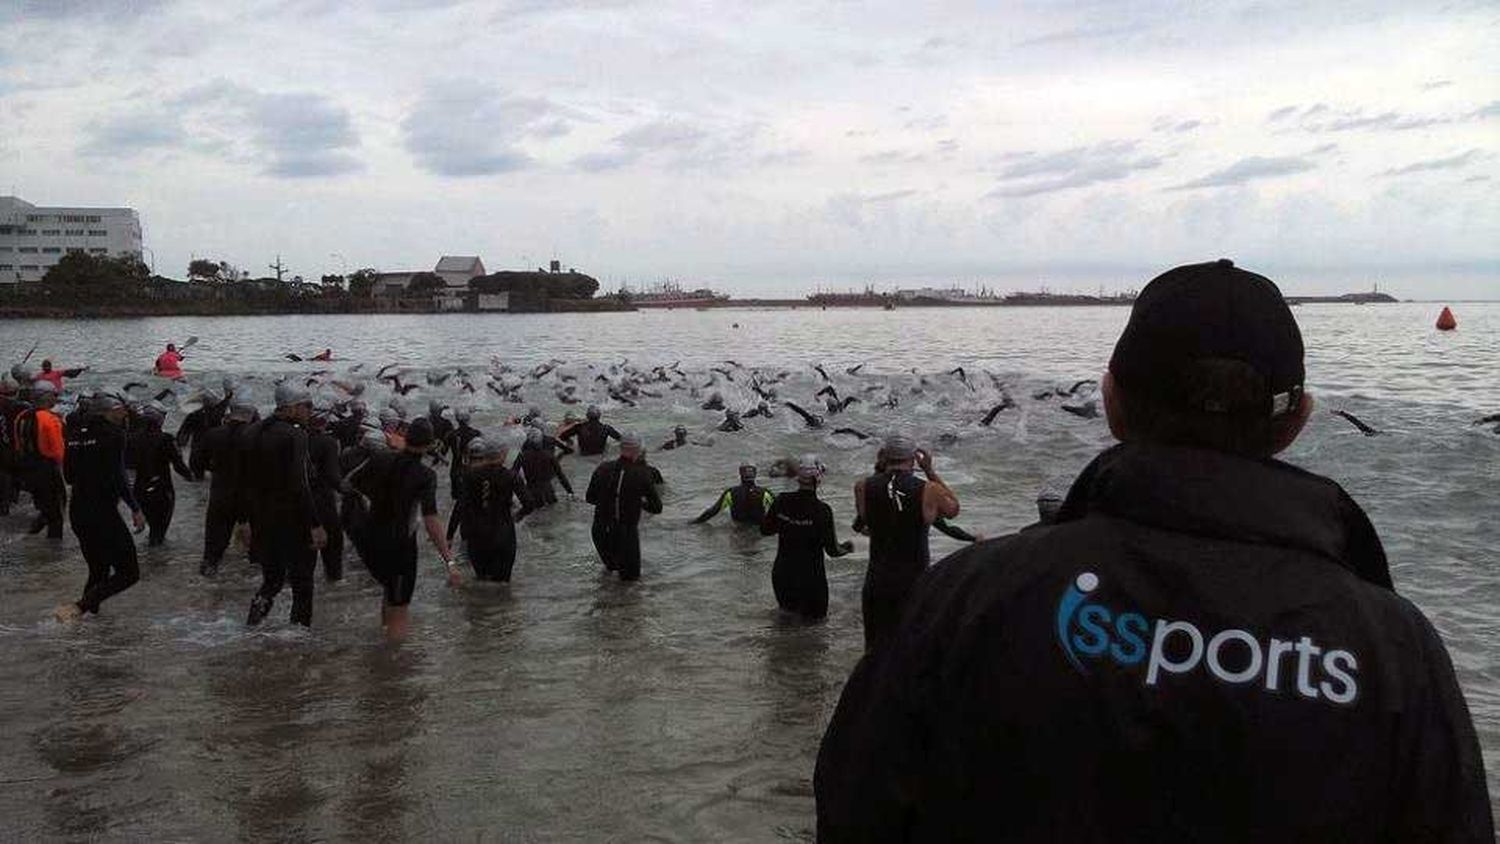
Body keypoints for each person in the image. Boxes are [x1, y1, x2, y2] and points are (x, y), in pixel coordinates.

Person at [814, 259, 1495, 842]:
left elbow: (854, 805)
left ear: (1111, 402)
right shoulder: (1396, 653)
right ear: (1296, 421)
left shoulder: (968, 598)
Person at [347, 417, 459, 640]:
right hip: (399, 546)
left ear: (405, 438)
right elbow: (430, 520)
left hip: (369, 538)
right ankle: (394, 668)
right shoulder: (426, 475)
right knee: (399, 609)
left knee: (390, 593)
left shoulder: (381, 458)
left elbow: (349, 483)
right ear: (429, 445)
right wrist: (450, 561)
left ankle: (382, 647)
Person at [852, 434, 959, 651]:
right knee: (911, 649)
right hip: (914, 580)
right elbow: (953, 509)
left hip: (877, 580)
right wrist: (929, 470)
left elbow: (865, 525)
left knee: (874, 649)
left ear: (884, 456)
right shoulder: (929, 489)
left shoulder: (862, 487)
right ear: (914, 458)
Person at [54, 395, 145, 622]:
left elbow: (69, 475)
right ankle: (78, 608)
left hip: (78, 511)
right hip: (102, 511)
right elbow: (119, 477)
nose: (125, 414)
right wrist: (135, 508)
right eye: (121, 409)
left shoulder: (73, 435)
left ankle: (84, 626)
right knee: (129, 573)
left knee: (98, 570)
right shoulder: (114, 435)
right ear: (109, 411)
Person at [242, 383, 327, 627]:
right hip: (292, 519)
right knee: (303, 583)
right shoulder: (296, 435)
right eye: (307, 406)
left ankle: (253, 624)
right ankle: (299, 637)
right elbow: (300, 483)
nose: (310, 411)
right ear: (292, 408)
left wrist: (244, 520)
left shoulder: (251, 431)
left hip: (261, 518)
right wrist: (315, 524)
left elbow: (242, 481)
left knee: (272, 580)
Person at [761, 455, 854, 620]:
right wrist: (846, 548)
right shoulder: (823, 510)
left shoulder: (781, 500)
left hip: (783, 575)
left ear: (798, 479)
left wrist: (789, 524)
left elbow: (765, 530)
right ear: (818, 480)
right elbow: (832, 551)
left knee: (785, 624)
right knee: (815, 630)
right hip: (811, 580)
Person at [450, 436, 534, 582]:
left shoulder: (469, 475)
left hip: (476, 535)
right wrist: (518, 515)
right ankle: (501, 604)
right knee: (502, 583)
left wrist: (449, 535)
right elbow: (529, 504)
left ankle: (481, 604)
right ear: (502, 454)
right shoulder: (510, 476)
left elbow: (460, 507)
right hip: (503, 533)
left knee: (482, 581)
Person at [585, 432, 662, 581]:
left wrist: (609, 500)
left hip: (599, 531)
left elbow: (590, 498)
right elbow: (657, 508)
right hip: (625, 534)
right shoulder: (642, 474)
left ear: (620, 448)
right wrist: (637, 502)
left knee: (610, 575)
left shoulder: (602, 468)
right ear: (639, 450)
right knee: (630, 585)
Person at [190, 400, 255, 576]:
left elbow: (196, 463)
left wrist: (217, 468)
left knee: (212, 552)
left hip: (221, 495)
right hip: (250, 498)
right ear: (250, 414)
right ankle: (247, 591)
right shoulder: (255, 435)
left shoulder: (213, 434)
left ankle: (208, 591)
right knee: (256, 554)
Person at [128, 403, 194, 546]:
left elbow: (127, 468)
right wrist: (191, 477)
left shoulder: (131, 439)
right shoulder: (166, 439)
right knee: (159, 533)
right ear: (159, 420)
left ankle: (152, 560)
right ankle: (157, 563)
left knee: (153, 530)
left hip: (139, 490)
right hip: (162, 490)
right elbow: (178, 465)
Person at [14, 380, 66, 538]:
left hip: (28, 468)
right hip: (47, 469)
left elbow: (18, 446)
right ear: (46, 397)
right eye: (54, 395)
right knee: (56, 514)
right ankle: (53, 553)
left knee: (45, 508)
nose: (55, 399)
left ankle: (30, 536)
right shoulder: (50, 419)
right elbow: (58, 452)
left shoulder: (21, 416)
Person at [307, 406, 347, 582]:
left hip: (296, 500)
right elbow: (333, 476)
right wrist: (348, 490)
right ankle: (333, 584)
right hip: (322, 500)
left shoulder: (297, 438)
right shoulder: (327, 442)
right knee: (332, 545)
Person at [693, 464, 774, 526]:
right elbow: (779, 510)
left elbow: (713, 511)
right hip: (759, 529)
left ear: (740, 475)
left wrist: (695, 522)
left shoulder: (731, 493)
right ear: (755, 475)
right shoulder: (765, 493)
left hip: (738, 528)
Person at [513, 428, 573, 507]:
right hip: (549, 494)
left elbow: (513, 475)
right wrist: (570, 491)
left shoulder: (522, 456)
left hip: (531, 492)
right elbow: (560, 475)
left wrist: (511, 497)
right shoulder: (548, 455)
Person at [445, 407, 483, 502]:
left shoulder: (451, 434)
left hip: (455, 469)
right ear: (469, 418)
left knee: (456, 500)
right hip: (471, 469)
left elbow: (443, 452)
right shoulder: (476, 433)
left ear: (457, 419)